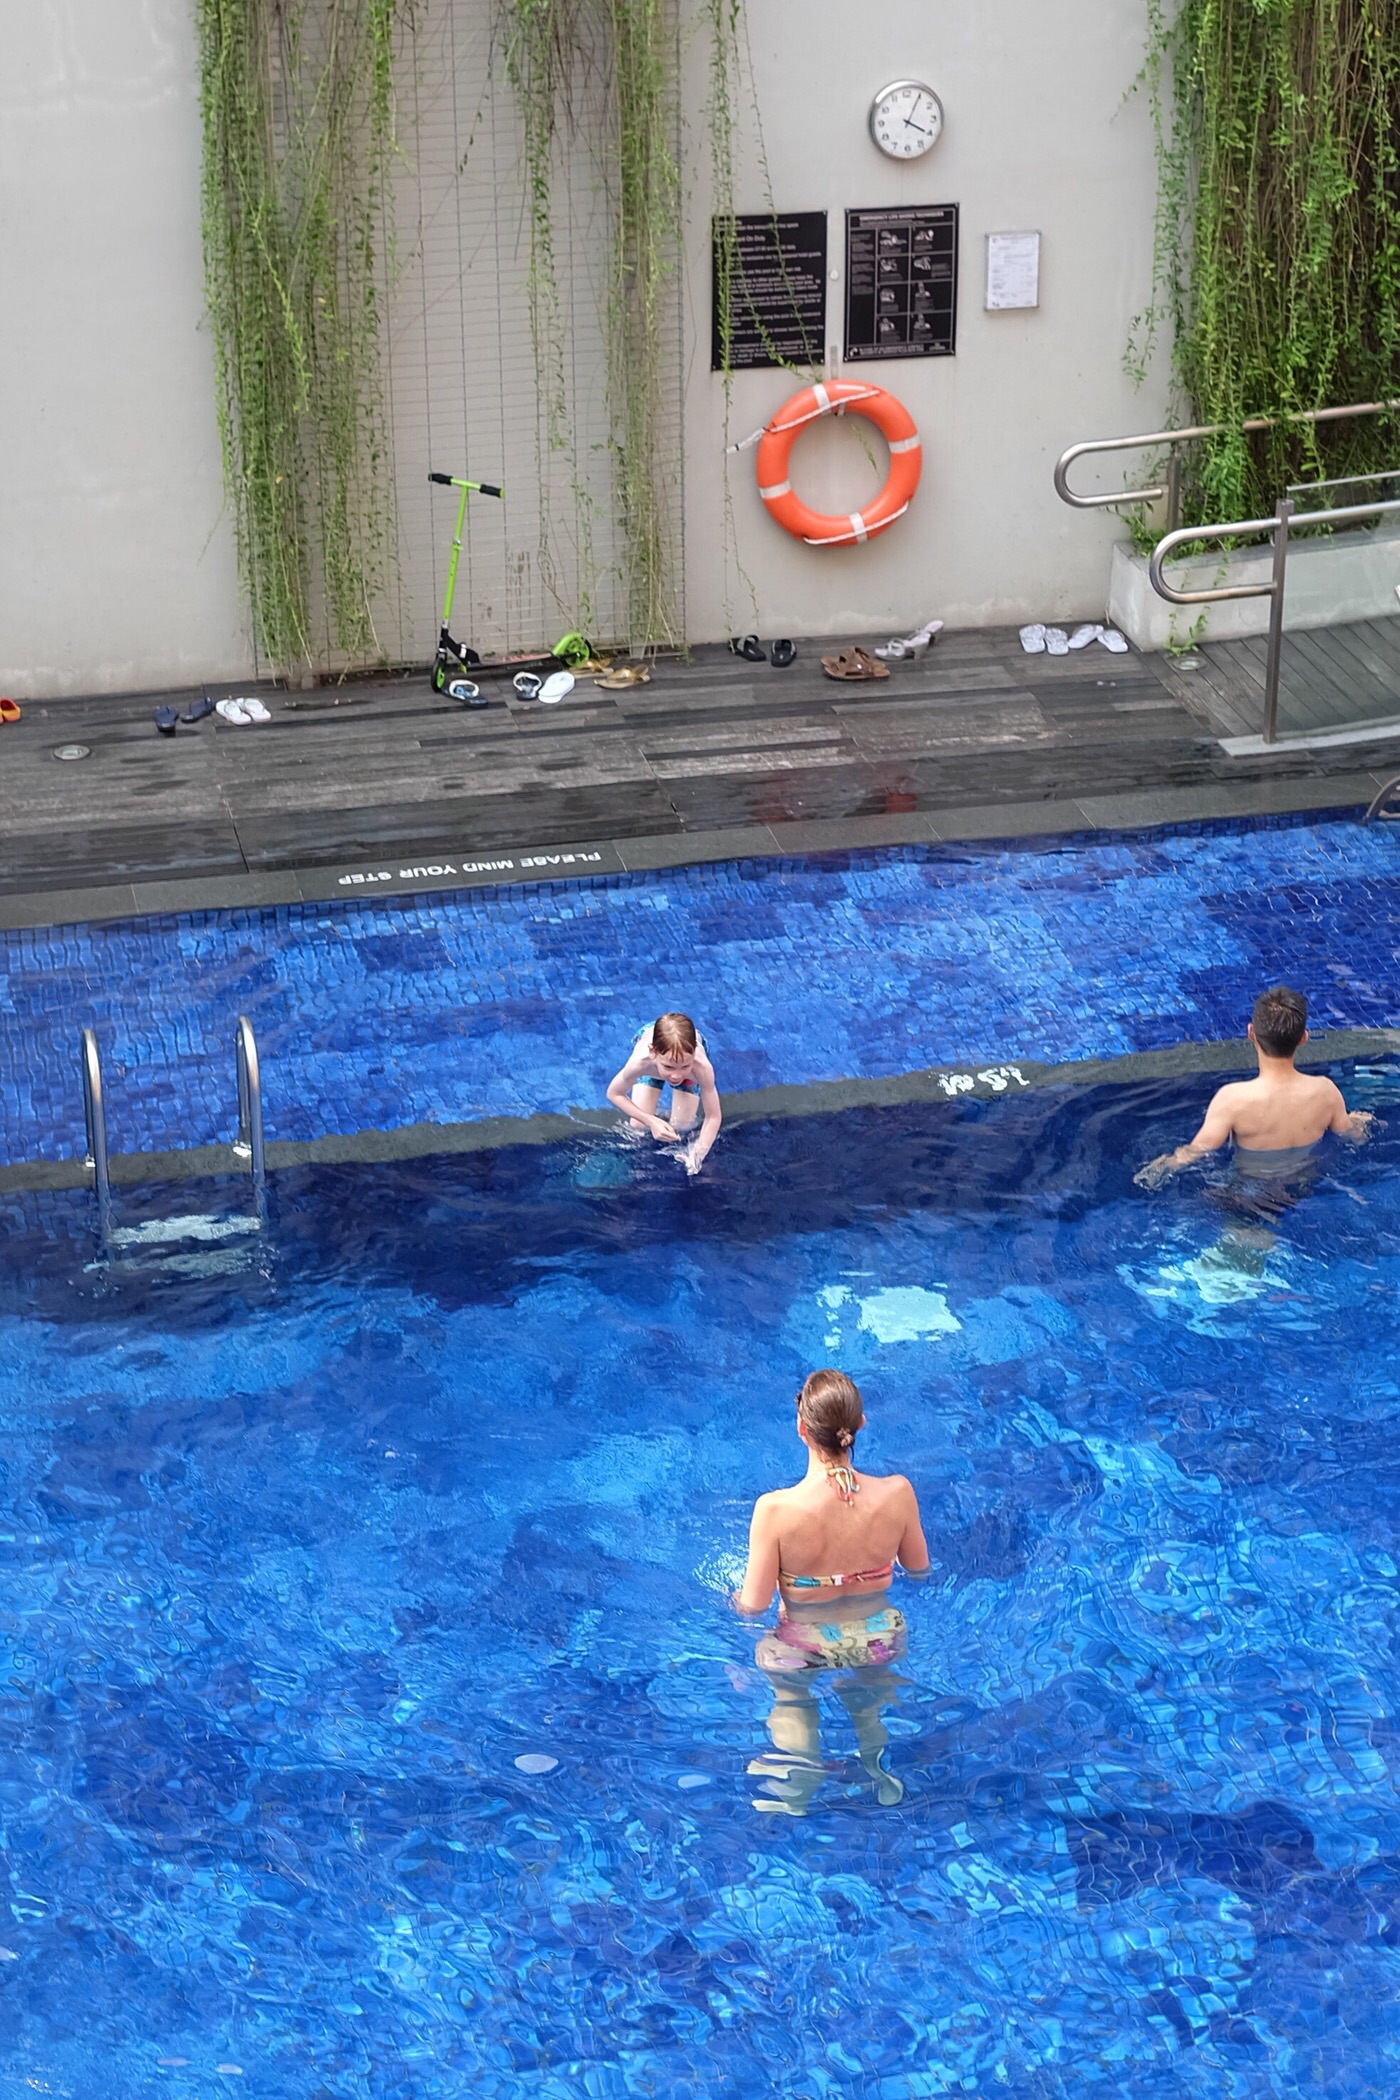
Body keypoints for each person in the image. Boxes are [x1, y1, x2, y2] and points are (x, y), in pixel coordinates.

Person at [732, 1370, 930, 1816]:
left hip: (803, 1644)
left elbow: (754, 1606)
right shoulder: (898, 1493)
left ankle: (801, 1775)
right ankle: (878, 1766)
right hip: (878, 1637)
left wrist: (731, 1599)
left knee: (792, 1698)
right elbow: (919, 1569)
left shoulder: (774, 1511)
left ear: (801, 1429)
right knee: (871, 1699)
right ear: (861, 1425)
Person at [1135, 984, 1375, 1192]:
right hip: (1303, 1188)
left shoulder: (1233, 1099)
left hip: (1250, 1192)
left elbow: (1198, 1150)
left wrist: (1165, 1165)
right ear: (1304, 1038)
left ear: (1251, 1033)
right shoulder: (1326, 1092)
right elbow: (1353, 1136)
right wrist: (1359, 1121)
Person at [605, 1012, 722, 1175]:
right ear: (653, 1052)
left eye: (684, 1066)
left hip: (681, 1051)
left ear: (694, 1054)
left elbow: (713, 1116)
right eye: (669, 1067)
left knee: (682, 1126)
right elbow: (614, 1093)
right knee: (638, 1126)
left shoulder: (701, 1068)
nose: (677, 1076)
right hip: (652, 1059)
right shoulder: (640, 1062)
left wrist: (697, 1154)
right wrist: (651, 1120)